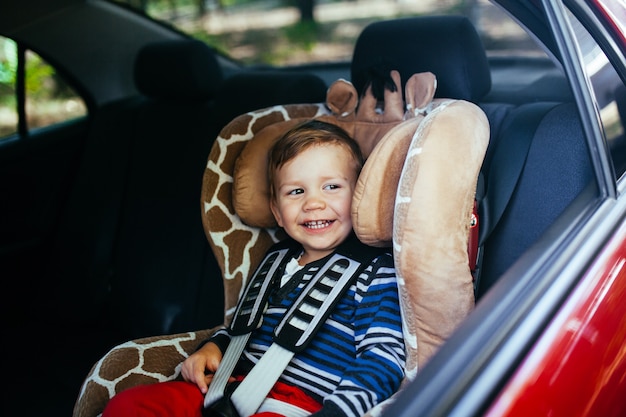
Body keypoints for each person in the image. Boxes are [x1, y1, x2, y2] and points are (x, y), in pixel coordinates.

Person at [102, 119, 406, 417]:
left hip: (300, 404)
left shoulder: (375, 272)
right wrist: (213, 348)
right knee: (129, 406)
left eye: (331, 186)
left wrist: (337, 411)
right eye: (296, 192)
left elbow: (383, 358)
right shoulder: (276, 260)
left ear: (359, 197)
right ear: (276, 210)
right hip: (228, 389)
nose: (313, 203)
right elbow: (242, 331)